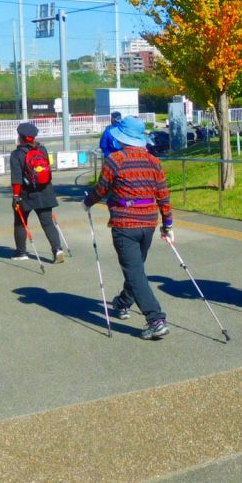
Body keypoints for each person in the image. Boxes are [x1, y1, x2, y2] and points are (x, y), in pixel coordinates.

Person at [83, 115, 174, 340]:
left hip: (124, 223)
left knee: (134, 271)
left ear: (121, 138)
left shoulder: (115, 160)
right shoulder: (154, 161)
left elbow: (102, 189)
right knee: (136, 270)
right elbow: (163, 194)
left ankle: (156, 319)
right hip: (149, 222)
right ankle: (123, 303)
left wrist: (88, 202)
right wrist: (168, 224)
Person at [10, 122, 65, 263]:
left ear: (20, 137)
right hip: (45, 190)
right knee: (47, 223)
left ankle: (21, 252)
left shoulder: (16, 154)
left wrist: (15, 196)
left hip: (25, 194)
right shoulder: (43, 150)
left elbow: (16, 179)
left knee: (20, 223)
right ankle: (57, 249)